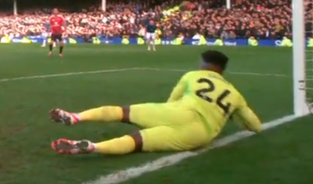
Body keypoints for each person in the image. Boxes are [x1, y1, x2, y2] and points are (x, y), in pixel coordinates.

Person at [50, 50, 263, 155]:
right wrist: (234, 116)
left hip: (177, 111)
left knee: (122, 112)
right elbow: (256, 126)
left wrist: (164, 113)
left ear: (205, 64)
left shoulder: (192, 76)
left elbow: (172, 100)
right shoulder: (235, 94)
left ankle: (76, 117)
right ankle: (93, 147)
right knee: (137, 141)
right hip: (200, 134)